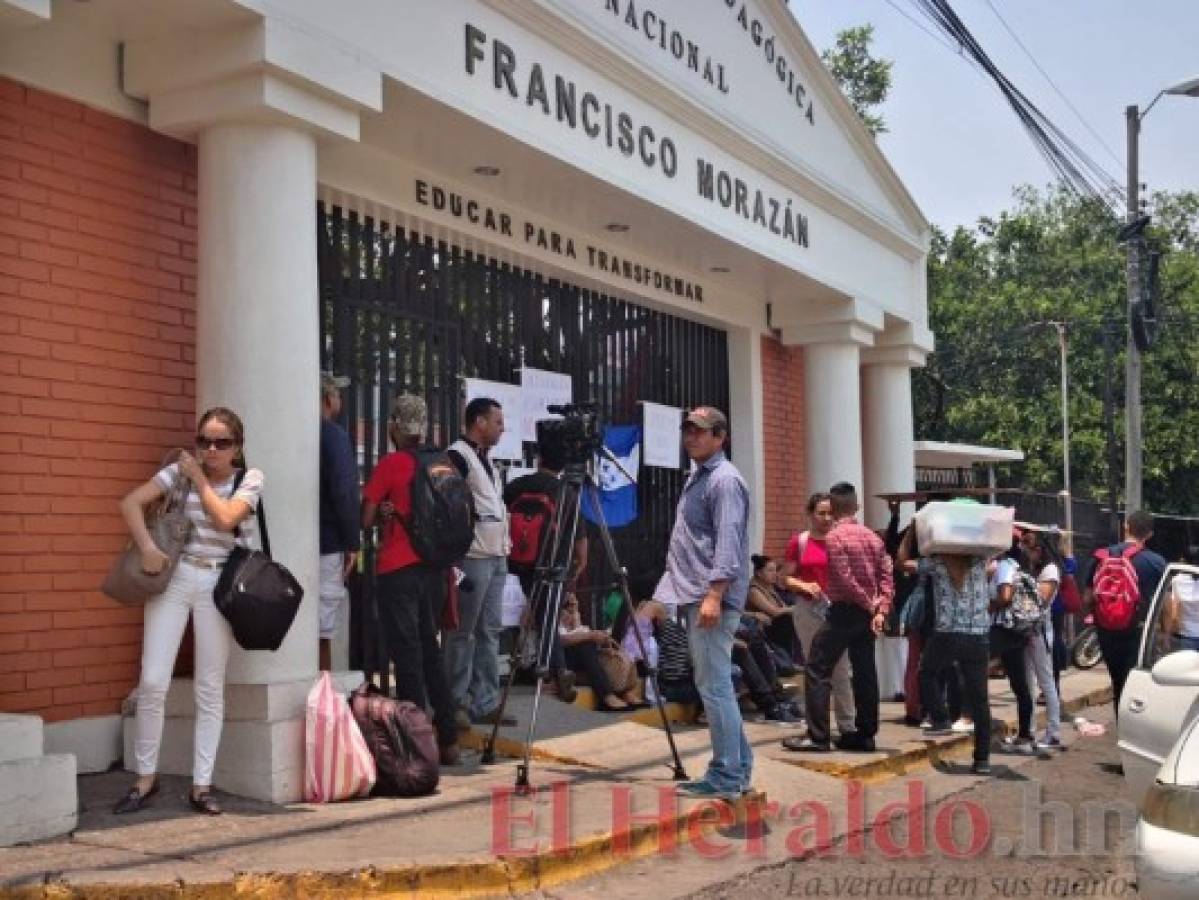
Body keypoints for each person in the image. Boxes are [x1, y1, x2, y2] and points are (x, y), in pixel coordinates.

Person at [115, 408, 262, 816]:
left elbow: (227, 517)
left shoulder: (249, 480)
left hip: (220, 585)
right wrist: (147, 547)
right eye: (204, 442)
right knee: (153, 681)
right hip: (176, 579)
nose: (211, 450)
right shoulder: (176, 474)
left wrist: (199, 479)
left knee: (209, 688)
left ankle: (201, 784)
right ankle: (145, 779)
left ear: (237, 447)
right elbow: (130, 503)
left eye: (221, 443)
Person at [654, 406, 752, 801]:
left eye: (700, 431)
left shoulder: (724, 481)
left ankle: (726, 776)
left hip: (711, 597)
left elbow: (728, 543)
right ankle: (738, 768)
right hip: (696, 594)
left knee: (713, 688)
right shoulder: (700, 477)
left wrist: (714, 595)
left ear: (720, 436)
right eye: (688, 430)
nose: (692, 437)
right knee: (715, 686)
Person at [361, 395, 460, 766]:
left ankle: (420, 745)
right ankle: (448, 738)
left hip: (397, 570)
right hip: (434, 570)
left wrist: (384, 508)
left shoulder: (391, 464)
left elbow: (366, 519)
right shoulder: (443, 464)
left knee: (407, 656)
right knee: (430, 650)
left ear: (393, 427)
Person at [785, 481, 892, 754]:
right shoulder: (873, 537)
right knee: (865, 671)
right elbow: (886, 576)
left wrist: (868, 605)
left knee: (817, 668)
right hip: (865, 615)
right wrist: (879, 609)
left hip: (845, 610)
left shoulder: (835, 537)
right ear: (857, 506)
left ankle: (818, 736)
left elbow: (844, 579)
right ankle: (865, 735)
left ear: (832, 509)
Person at [445, 397, 514, 729]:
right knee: (462, 631)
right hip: (472, 555)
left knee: (489, 630)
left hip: (496, 552)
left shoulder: (486, 460)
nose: (502, 428)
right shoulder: (458, 455)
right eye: (497, 422)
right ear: (480, 422)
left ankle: (485, 700)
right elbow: (449, 502)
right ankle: (454, 702)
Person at [503, 442, 587, 703]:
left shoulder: (517, 486)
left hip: (522, 563)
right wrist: (579, 564)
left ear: (539, 458)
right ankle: (557, 671)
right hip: (555, 564)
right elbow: (580, 540)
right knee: (548, 617)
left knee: (544, 616)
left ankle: (555, 671)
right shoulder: (567, 492)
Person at [905, 540, 994, 776]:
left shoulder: (937, 564)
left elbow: (902, 562)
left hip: (947, 634)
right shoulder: (980, 563)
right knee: (980, 700)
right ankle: (982, 760)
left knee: (927, 672)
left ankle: (941, 718)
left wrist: (911, 534)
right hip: (978, 636)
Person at [782, 492, 857, 738]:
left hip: (837, 610)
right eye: (821, 513)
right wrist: (803, 586)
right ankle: (816, 725)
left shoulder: (841, 541)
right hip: (809, 610)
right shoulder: (800, 542)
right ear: (810, 515)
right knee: (814, 667)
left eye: (830, 513)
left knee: (842, 669)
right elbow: (785, 577)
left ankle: (847, 724)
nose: (826, 518)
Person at [1088, 510, 1167, 713]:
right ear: (1149, 534)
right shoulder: (1156, 562)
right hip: (1139, 632)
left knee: (1117, 681)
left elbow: (1087, 597)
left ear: (1126, 527)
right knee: (1139, 683)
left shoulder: (1102, 557)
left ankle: (1121, 726)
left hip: (1107, 630)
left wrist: (1100, 617)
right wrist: (1165, 634)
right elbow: (1168, 605)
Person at [318, 371, 360, 672]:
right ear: (328, 398)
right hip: (328, 541)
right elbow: (344, 491)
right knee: (322, 624)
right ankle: (322, 691)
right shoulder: (333, 435)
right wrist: (352, 541)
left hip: (286, 543)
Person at [989, 544, 1038, 755]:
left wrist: (988, 605)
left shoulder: (1004, 567)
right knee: (1019, 685)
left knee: (971, 667)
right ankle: (1025, 736)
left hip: (1004, 629)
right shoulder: (1017, 565)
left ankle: (973, 719)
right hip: (1015, 631)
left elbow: (1006, 596)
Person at [1020, 529, 1063, 749]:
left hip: (1039, 631)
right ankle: (1028, 730)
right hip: (1029, 630)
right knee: (1029, 682)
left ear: (1040, 549)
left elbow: (1041, 599)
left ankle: (1053, 731)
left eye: (1030, 547)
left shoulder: (1050, 570)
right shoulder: (1035, 569)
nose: (1027, 552)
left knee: (1045, 682)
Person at [558, 595, 636, 710]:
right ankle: (607, 695)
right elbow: (559, 641)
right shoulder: (549, 604)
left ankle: (621, 691)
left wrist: (575, 614)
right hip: (554, 659)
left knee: (594, 645)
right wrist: (590, 635)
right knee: (586, 645)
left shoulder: (567, 610)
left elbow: (576, 631)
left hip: (570, 656)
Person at [746, 555, 802, 666]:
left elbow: (783, 606)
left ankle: (797, 658)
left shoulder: (770, 587)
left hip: (776, 627)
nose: (774, 574)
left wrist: (794, 609)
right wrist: (793, 609)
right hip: (763, 628)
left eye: (775, 570)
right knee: (787, 620)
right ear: (759, 573)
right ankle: (793, 659)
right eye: (770, 570)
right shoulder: (754, 590)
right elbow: (774, 611)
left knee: (797, 618)